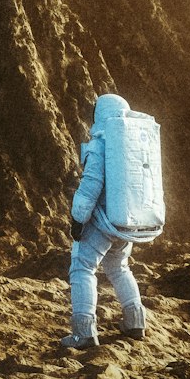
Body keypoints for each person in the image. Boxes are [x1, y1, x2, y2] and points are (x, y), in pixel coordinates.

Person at [63, 93, 148, 350]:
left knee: (82, 267)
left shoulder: (100, 145)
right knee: (120, 267)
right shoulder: (132, 146)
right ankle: (135, 322)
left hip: (101, 222)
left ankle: (84, 332)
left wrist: (78, 219)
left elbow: (90, 186)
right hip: (125, 222)